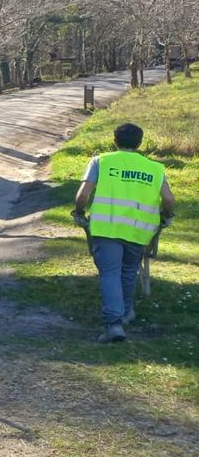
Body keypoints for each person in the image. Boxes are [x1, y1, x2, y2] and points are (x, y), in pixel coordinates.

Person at [73, 122, 175, 343]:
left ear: (114, 140)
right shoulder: (155, 168)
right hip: (139, 230)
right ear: (140, 143)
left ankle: (114, 323)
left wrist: (79, 210)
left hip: (107, 227)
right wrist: (168, 215)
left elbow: (84, 193)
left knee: (110, 273)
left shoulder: (102, 161)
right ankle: (126, 312)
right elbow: (168, 199)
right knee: (129, 271)